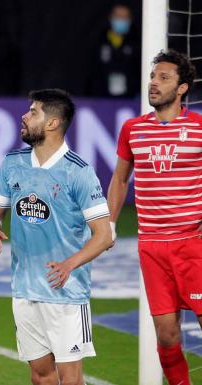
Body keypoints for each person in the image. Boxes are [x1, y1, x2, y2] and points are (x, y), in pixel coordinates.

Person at [0, 89, 112, 385]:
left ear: (53, 123)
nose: (24, 116)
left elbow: (103, 235)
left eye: (33, 112)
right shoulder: (12, 163)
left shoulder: (78, 172)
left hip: (65, 293)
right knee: (40, 377)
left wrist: (69, 265)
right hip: (25, 289)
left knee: (70, 379)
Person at [107, 49, 202, 385]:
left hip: (193, 244)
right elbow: (120, 179)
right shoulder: (133, 129)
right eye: (152, 76)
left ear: (182, 88)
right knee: (166, 334)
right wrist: (110, 224)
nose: (154, 83)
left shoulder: (199, 127)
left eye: (164, 78)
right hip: (152, 245)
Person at [89, 3, 139, 97]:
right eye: (118, 16)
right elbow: (93, 72)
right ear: (111, 17)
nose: (121, 20)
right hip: (102, 97)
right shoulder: (100, 40)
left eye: (125, 17)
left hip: (130, 98)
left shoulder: (137, 42)